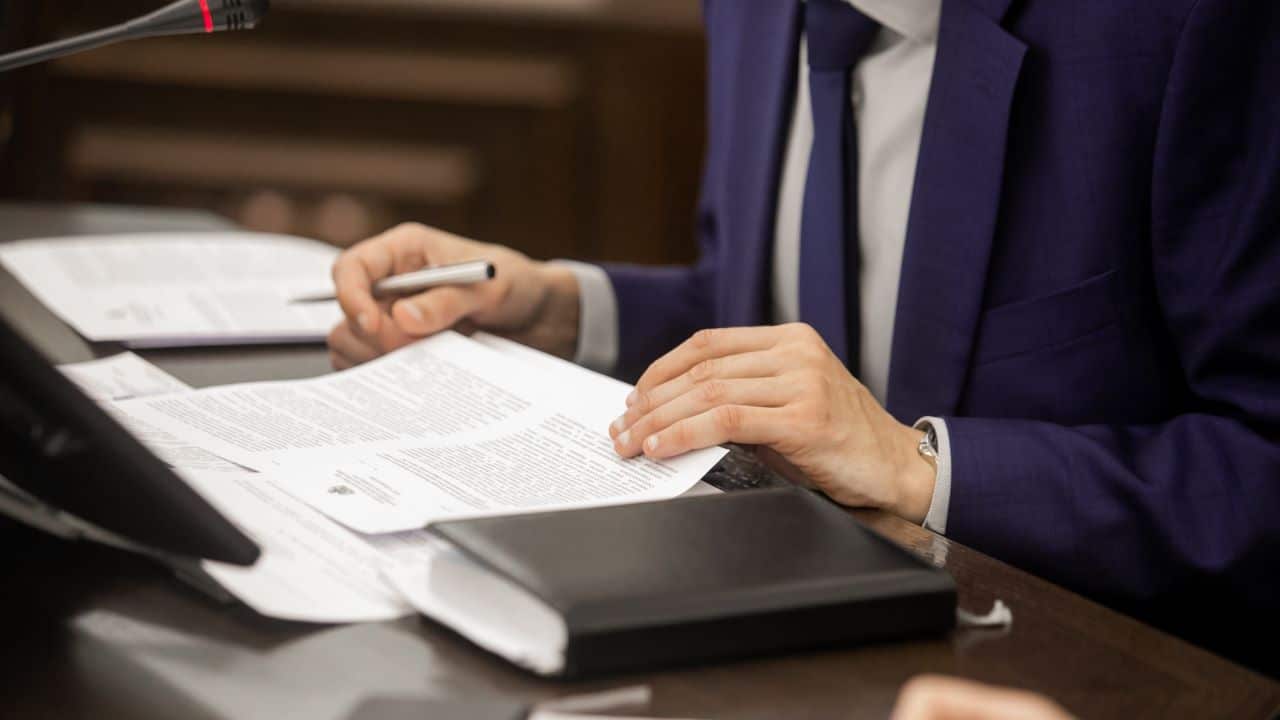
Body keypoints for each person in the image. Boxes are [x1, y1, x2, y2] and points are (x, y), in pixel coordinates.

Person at [327, 0, 1280, 672]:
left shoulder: (1193, 23)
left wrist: (919, 467)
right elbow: (790, 316)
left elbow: (1262, 467)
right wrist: (561, 309)